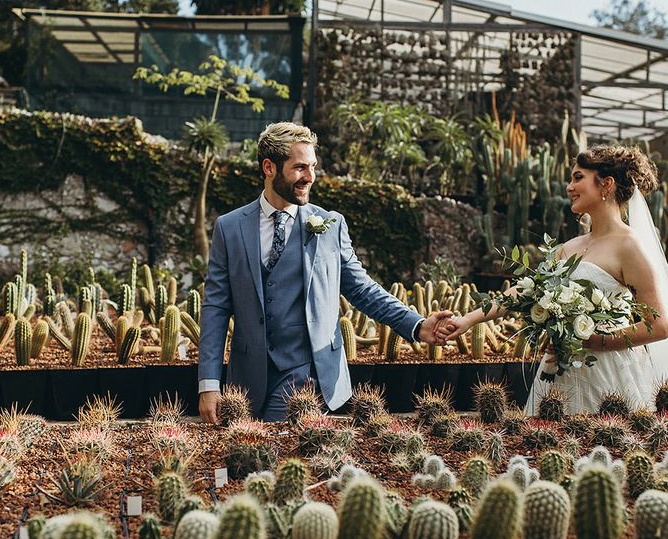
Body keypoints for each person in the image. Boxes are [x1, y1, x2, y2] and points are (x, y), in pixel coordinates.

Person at [198, 122, 452, 423]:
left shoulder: (329, 224)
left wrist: (417, 325)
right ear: (269, 167)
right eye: (300, 167)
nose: (310, 177)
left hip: (306, 373)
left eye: (313, 167)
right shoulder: (230, 228)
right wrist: (209, 383)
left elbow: (361, 289)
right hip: (248, 379)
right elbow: (215, 306)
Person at [443, 144, 668, 414]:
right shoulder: (568, 248)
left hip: (609, 374)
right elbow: (525, 292)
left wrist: (597, 341)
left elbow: (659, 326)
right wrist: (467, 320)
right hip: (559, 369)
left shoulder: (630, 246)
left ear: (606, 184)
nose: (569, 187)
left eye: (578, 177)